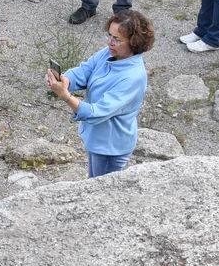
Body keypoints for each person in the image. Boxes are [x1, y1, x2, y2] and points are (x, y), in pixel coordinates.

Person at [46, 9, 154, 177]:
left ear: (134, 42)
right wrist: (66, 80)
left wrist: (65, 96)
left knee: (99, 189)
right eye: (109, 36)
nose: (110, 42)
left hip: (110, 147)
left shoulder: (132, 77)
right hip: (98, 138)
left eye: (117, 39)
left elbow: (98, 112)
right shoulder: (110, 53)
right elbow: (86, 70)